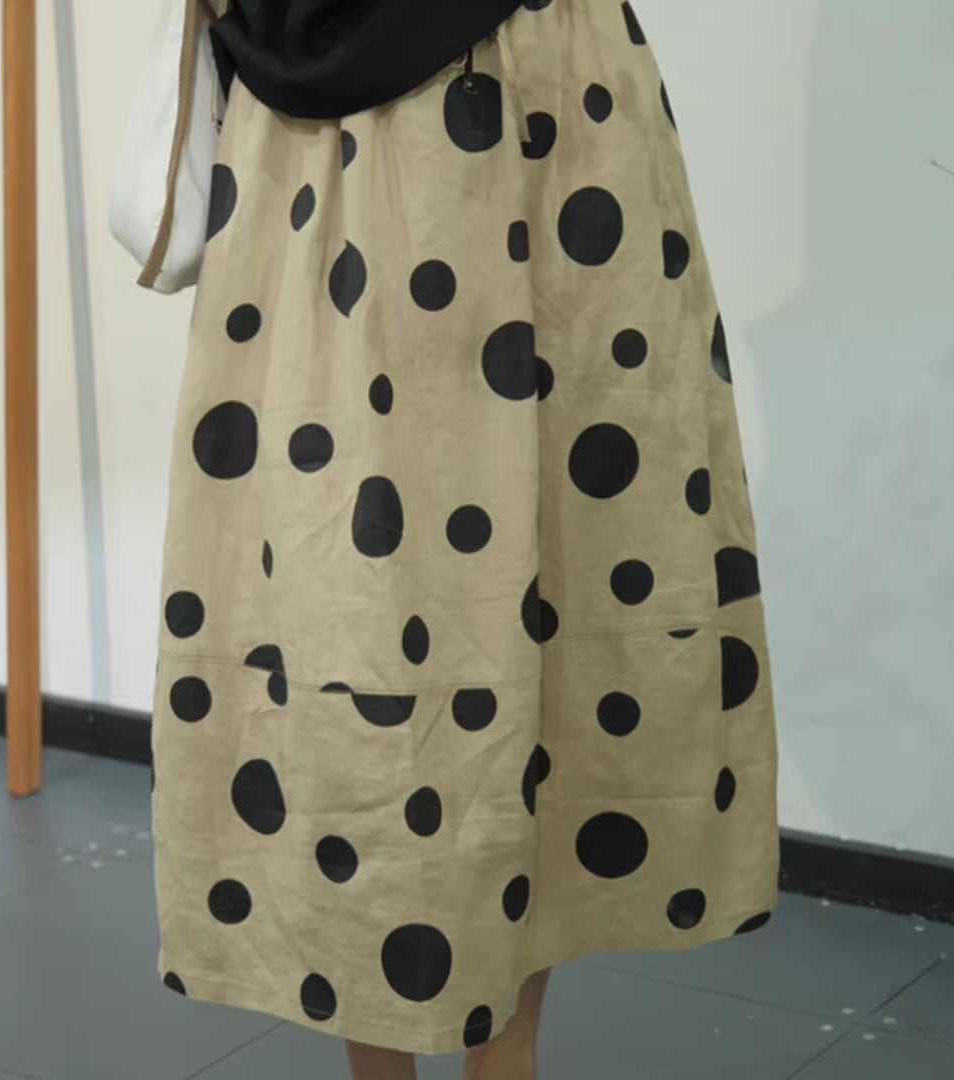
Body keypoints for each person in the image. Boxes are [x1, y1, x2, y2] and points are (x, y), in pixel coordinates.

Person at [148, 1, 780, 1076]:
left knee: (355, 587)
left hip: (332, 129)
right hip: (537, 100)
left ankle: (447, 1062)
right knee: (534, 566)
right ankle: (503, 1059)